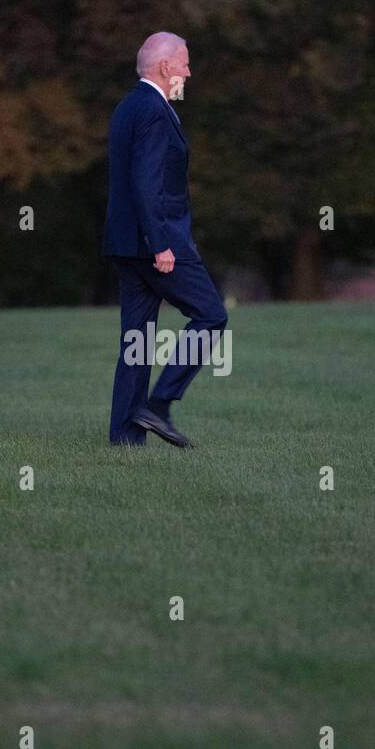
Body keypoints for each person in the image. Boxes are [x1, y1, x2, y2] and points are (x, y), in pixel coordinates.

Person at [103, 32, 228, 447]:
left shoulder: (128, 106)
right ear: (164, 67)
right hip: (158, 240)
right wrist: (160, 244)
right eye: (185, 64)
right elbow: (146, 182)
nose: (189, 72)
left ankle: (124, 437)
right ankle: (159, 406)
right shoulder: (154, 111)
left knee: (136, 340)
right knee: (211, 316)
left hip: (126, 242)